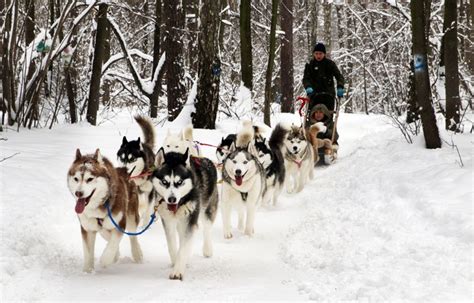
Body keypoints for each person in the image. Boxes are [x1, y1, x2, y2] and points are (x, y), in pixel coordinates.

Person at [303, 42, 345, 112]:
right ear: (314, 54)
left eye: (320, 54)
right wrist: (308, 86)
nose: (318, 56)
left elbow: (339, 76)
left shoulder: (330, 64)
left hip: (328, 95)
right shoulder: (310, 65)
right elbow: (306, 78)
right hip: (313, 95)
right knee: (313, 115)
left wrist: (340, 86)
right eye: (316, 54)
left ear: (324, 54)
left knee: (328, 115)